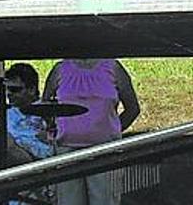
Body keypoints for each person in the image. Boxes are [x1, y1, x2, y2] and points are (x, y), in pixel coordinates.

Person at [44, 59, 140, 205]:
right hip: (67, 152)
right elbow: (45, 106)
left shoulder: (114, 68)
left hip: (105, 152)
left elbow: (132, 108)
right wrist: (54, 128)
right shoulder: (59, 69)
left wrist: (113, 130)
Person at [3, 62, 54, 205]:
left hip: (39, 162)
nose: (9, 94)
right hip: (12, 167)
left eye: (15, 89)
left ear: (31, 89)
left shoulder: (48, 112)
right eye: (7, 89)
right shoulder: (7, 112)